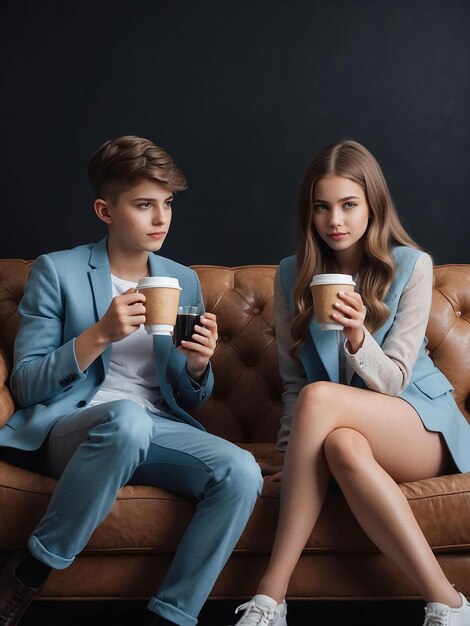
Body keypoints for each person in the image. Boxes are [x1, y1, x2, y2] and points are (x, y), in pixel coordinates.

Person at [0, 135, 263, 626]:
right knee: (125, 420)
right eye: (144, 205)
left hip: (155, 426)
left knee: (243, 471)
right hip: (76, 426)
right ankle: (31, 572)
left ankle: (171, 615)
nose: (161, 219)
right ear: (106, 210)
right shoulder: (57, 271)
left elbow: (188, 397)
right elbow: (27, 385)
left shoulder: (181, 280)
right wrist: (98, 334)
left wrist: (200, 366)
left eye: (167, 204)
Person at [230, 140, 470, 626]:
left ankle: (270, 595)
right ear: (310, 212)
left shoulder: (411, 266)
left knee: (324, 399)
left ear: (372, 206)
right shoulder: (291, 275)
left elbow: (396, 380)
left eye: (348, 205)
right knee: (340, 444)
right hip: (345, 430)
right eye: (322, 207)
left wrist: (359, 337)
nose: (334, 220)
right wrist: (292, 456)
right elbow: (295, 384)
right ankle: (448, 603)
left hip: (419, 424)